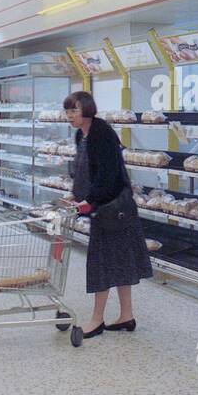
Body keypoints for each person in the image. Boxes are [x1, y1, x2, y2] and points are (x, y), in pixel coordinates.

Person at [66, 90, 152, 340]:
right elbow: (84, 171)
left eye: (74, 110)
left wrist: (89, 200)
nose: (70, 116)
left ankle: (96, 320)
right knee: (121, 260)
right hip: (106, 207)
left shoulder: (101, 134)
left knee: (101, 263)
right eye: (68, 111)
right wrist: (75, 195)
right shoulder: (80, 134)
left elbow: (108, 175)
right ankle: (126, 315)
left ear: (87, 110)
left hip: (114, 208)